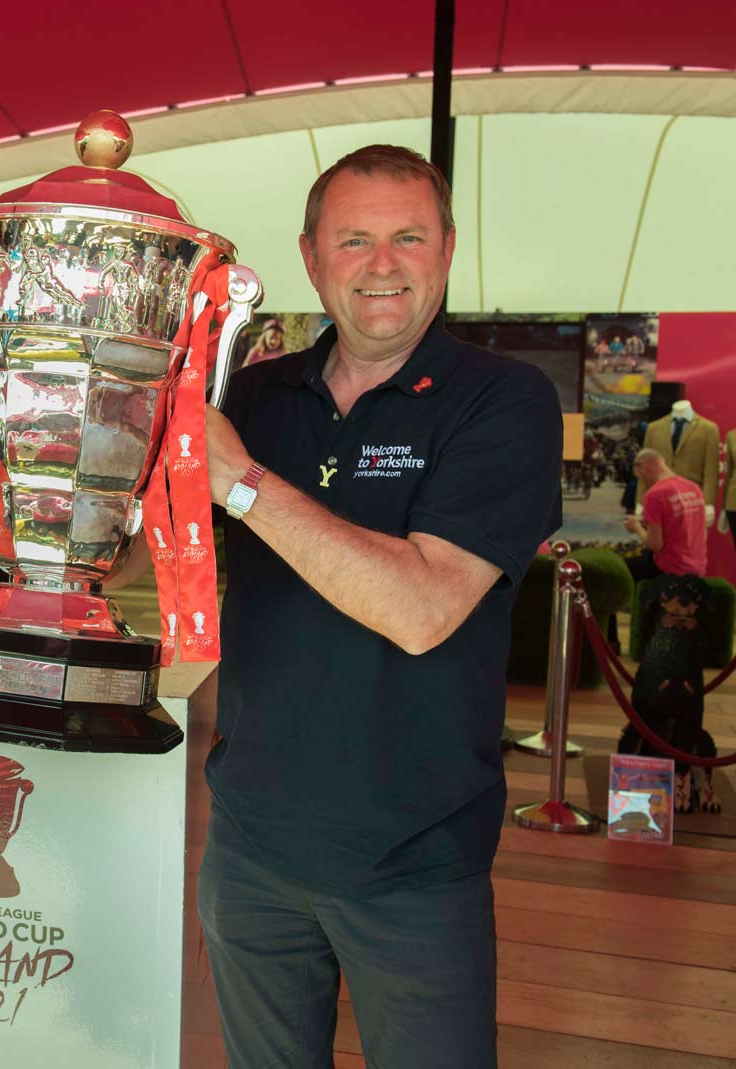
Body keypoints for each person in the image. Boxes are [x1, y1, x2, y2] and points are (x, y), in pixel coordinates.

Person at [192, 146, 561, 1067]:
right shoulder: (253, 394)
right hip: (250, 845)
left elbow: (425, 605)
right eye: (353, 239)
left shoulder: (503, 400)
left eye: (407, 236)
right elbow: (139, 547)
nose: (382, 263)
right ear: (312, 257)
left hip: (413, 857)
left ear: (446, 250)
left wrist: (240, 482)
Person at [624, 447, 708, 580]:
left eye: (641, 477)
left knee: (620, 569)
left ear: (646, 469)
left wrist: (636, 528)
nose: (644, 483)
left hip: (671, 568)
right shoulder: (694, 488)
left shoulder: (654, 495)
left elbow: (655, 545)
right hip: (698, 567)